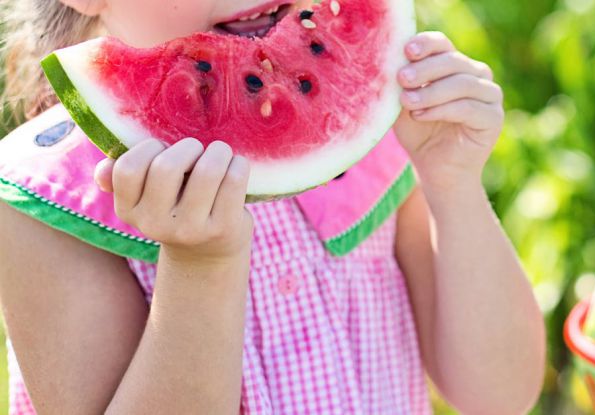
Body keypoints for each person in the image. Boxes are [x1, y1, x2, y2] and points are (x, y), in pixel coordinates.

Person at [0, 0, 545, 413]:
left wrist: (454, 184)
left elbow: (499, 393)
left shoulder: (373, 130)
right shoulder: (45, 202)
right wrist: (200, 269)